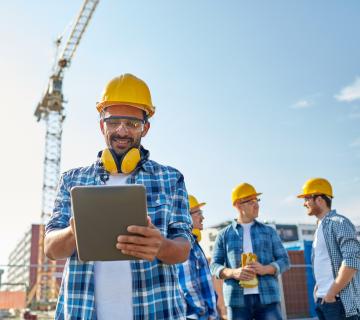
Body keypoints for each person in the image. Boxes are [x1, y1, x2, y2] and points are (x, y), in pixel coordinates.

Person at [44, 73, 193, 319]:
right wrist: (74, 232)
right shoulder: (72, 180)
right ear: (102, 125)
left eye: (132, 124)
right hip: (83, 312)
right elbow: (50, 248)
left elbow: (183, 248)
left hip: (157, 311)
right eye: (113, 122)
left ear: (145, 128)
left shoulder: (171, 179)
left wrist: (160, 246)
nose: (122, 130)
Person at [210, 183, 290, 320]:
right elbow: (214, 266)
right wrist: (234, 272)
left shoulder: (269, 232)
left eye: (257, 201)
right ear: (238, 205)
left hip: (268, 298)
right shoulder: (223, 235)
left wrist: (265, 269)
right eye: (251, 201)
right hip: (236, 300)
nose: (257, 205)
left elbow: (285, 261)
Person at [297, 177, 360, 319]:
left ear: (319, 199)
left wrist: (331, 293)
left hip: (339, 302)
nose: (304, 203)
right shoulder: (319, 227)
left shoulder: (339, 222)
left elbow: (352, 261)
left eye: (307, 198)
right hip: (323, 300)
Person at [177, 195, 218, 320]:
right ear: (187, 215)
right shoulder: (186, 243)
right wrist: (203, 312)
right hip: (195, 316)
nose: (203, 217)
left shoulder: (194, 243)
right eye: (199, 212)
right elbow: (188, 284)